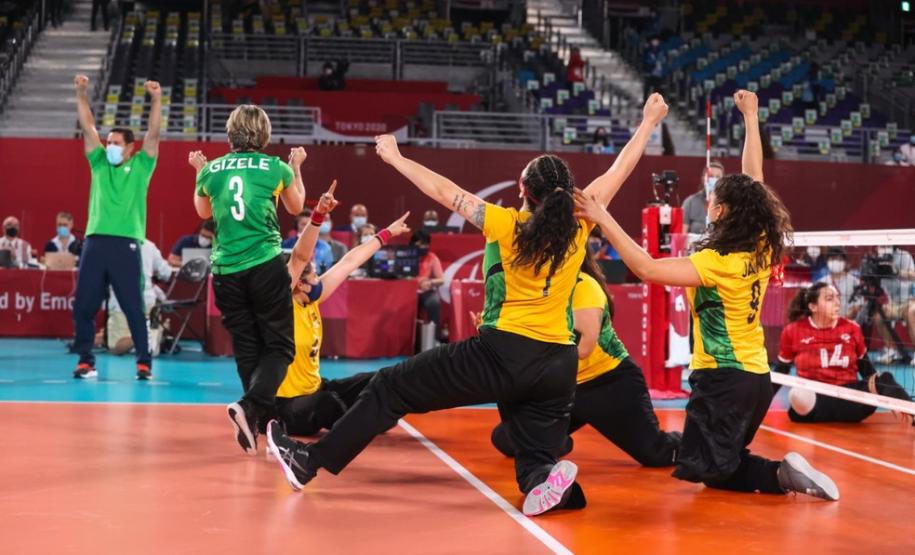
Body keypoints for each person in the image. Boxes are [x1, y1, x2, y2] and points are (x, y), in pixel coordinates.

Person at [265, 93, 671, 517]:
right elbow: (618, 171)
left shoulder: (507, 225)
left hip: (504, 353)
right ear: (567, 192)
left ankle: (308, 462)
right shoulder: (581, 222)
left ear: (522, 192)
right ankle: (545, 485)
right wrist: (646, 123)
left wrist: (397, 158)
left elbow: (446, 191)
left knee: (390, 387)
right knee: (533, 456)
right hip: (559, 366)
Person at [574, 90, 839, 501]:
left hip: (723, 381)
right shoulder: (762, 245)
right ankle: (781, 474)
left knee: (707, 469)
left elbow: (646, 268)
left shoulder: (719, 261)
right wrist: (752, 117)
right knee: (716, 462)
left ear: (720, 212)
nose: (709, 200)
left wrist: (602, 217)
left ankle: (781, 473)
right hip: (756, 380)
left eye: (714, 199)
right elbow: (755, 180)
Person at [188, 104, 306, 455]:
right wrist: (297, 167)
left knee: (248, 348)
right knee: (281, 346)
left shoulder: (211, 169)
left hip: (225, 271)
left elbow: (202, 212)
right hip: (264, 265)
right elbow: (296, 206)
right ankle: (252, 409)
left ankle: (263, 428)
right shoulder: (275, 167)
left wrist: (199, 171)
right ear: (264, 133)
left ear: (231, 133)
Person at [489, 253, 681, 466]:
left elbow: (582, 349)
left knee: (656, 453)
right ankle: (555, 441)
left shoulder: (583, 286)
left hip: (607, 382)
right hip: (562, 386)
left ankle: (702, 440)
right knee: (507, 440)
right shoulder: (531, 288)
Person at [275, 182, 413, 436]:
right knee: (328, 404)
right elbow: (299, 258)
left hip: (315, 388)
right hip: (285, 406)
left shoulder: (312, 300)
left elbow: (349, 262)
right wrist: (317, 216)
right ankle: (364, 422)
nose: (319, 277)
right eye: (314, 274)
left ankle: (370, 416)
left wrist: (386, 234)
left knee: (379, 379)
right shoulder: (282, 306)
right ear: (299, 283)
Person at [71, 75, 162, 381]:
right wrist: (81, 94)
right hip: (95, 242)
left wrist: (156, 99)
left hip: (126, 245)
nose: (108, 146)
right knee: (83, 305)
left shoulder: (141, 166)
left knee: (133, 307)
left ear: (130, 148)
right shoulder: (98, 162)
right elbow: (87, 127)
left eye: (115, 143)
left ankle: (144, 361)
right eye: (108, 142)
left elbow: (154, 132)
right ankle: (85, 360)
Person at [774, 283, 914, 425]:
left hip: (850, 399)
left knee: (884, 378)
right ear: (813, 307)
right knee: (797, 394)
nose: (837, 303)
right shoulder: (794, 330)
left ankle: (912, 411)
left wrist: (886, 393)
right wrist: (757, 408)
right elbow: (780, 372)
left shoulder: (851, 328)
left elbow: (867, 371)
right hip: (816, 400)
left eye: (837, 298)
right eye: (829, 299)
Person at [101, 238, 173, 355]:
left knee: (115, 347)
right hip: (147, 301)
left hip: (120, 303)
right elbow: (167, 273)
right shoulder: (150, 245)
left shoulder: (111, 245)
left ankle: (145, 336)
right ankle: (152, 333)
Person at [411, 229, 445, 342]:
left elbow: (441, 279)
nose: (423, 247)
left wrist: (430, 282)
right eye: (420, 244)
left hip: (427, 291)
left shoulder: (432, 258)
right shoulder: (406, 256)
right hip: (409, 291)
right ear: (413, 244)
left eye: (425, 244)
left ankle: (434, 340)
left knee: (434, 303)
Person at [680, 161, 725, 235]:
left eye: (717, 177)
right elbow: (682, 233)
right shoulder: (690, 202)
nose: (714, 179)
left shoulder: (728, 203)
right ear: (703, 178)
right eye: (711, 176)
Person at [818, 247, 860, 319]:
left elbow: (857, 306)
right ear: (827, 262)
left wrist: (842, 321)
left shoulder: (854, 281)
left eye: (839, 259)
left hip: (848, 323)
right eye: (832, 259)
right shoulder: (821, 283)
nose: (835, 262)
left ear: (845, 262)